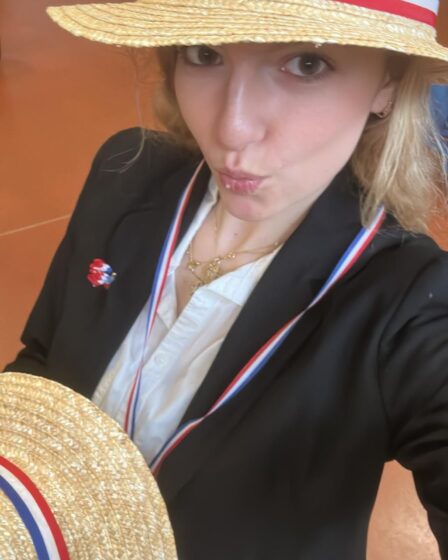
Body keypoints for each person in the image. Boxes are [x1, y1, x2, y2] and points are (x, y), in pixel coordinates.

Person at [4, 0, 448, 558]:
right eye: (204, 53)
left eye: (307, 63)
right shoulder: (126, 172)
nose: (231, 128)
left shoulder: (413, 303)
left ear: (388, 83)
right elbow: (42, 365)